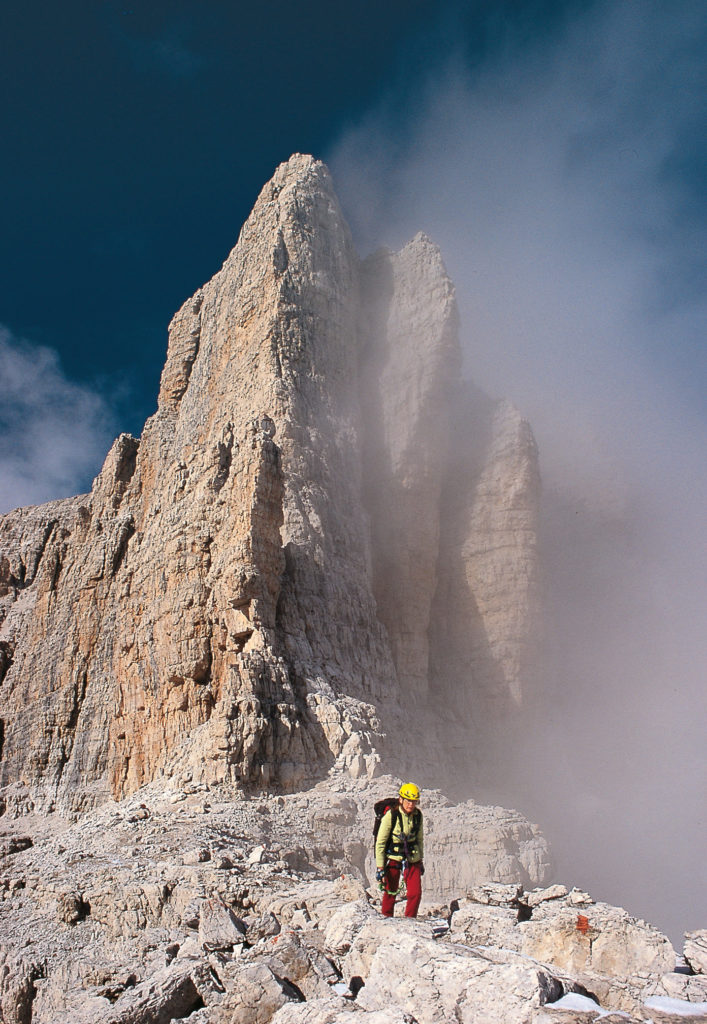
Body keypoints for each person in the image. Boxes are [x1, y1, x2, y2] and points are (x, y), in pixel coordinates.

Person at [375, 782, 424, 917]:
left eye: (414, 801)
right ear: (401, 799)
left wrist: (421, 860)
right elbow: (380, 843)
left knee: (415, 893)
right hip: (394, 857)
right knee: (391, 891)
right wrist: (380, 867)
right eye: (408, 801)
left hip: (412, 857)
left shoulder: (418, 816)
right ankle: (386, 919)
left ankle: (410, 920)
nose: (411, 804)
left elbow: (419, 840)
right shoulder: (392, 815)